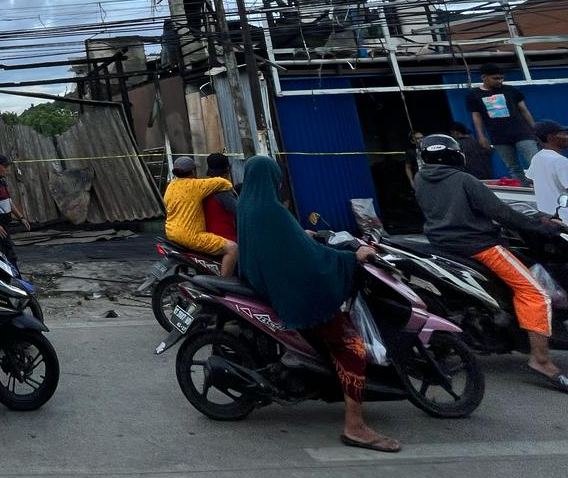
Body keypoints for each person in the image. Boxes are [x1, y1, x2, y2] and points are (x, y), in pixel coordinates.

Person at [237, 156, 399, 453]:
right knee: (351, 347)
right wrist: (351, 258)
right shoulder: (272, 209)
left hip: (265, 282)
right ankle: (355, 426)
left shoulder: (247, 206)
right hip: (289, 287)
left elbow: (285, 242)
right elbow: (306, 259)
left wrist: (303, 234)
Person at [413, 133, 568, 392]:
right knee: (535, 293)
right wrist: (542, 227)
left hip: (443, 245)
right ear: (453, 154)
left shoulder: (421, 180)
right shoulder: (464, 180)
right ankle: (541, 360)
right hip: (481, 247)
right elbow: (501, 213)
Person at [164, 156, 238, 276]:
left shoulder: (171, 187)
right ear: (193, 171)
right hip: (190, 235)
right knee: (233, 248)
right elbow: (221, 182)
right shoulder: (196, 186)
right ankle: (225, 284)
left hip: (171, 232)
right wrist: (232, 187)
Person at [467, 62, 538, 180]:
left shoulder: (510, 90)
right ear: (484, 77)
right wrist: (481, 136)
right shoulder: (474, 95)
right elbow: (477, 116)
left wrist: (535, 129)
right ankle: (525, 192)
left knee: (535, 162)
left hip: (522, 133)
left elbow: (524, 110)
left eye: (501, 78)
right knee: (513, 167)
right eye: (495, 78)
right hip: (499, 137)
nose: (499, 81)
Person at [528, 120, 568, 219]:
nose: (567, 137)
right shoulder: (560, 161)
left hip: (546, 217)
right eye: (563, 134)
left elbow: (529, 179)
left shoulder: (537, 157)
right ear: (551, 137)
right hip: (564, 217)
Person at [201, 153, 238, 243]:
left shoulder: (203, 188)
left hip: (208, 237)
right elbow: (239, 211)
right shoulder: (223, 191)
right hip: (226, 238)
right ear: (227, 171)